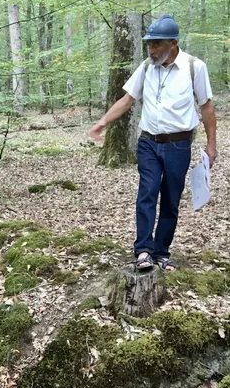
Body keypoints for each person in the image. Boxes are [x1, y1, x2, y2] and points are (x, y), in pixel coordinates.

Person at [89, 14, 217, 272]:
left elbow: (206, 106)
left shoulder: (194, 67)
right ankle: (143, 250)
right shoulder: (147, 67)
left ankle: (161, 252)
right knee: (147, 193)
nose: (151, 49)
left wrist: (212, 144)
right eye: (149, 44)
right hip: (148, 142)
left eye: (156, 44)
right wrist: (103, 121)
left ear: (173, 43)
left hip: (178, 145)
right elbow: (127, 99)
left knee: (170, 199)